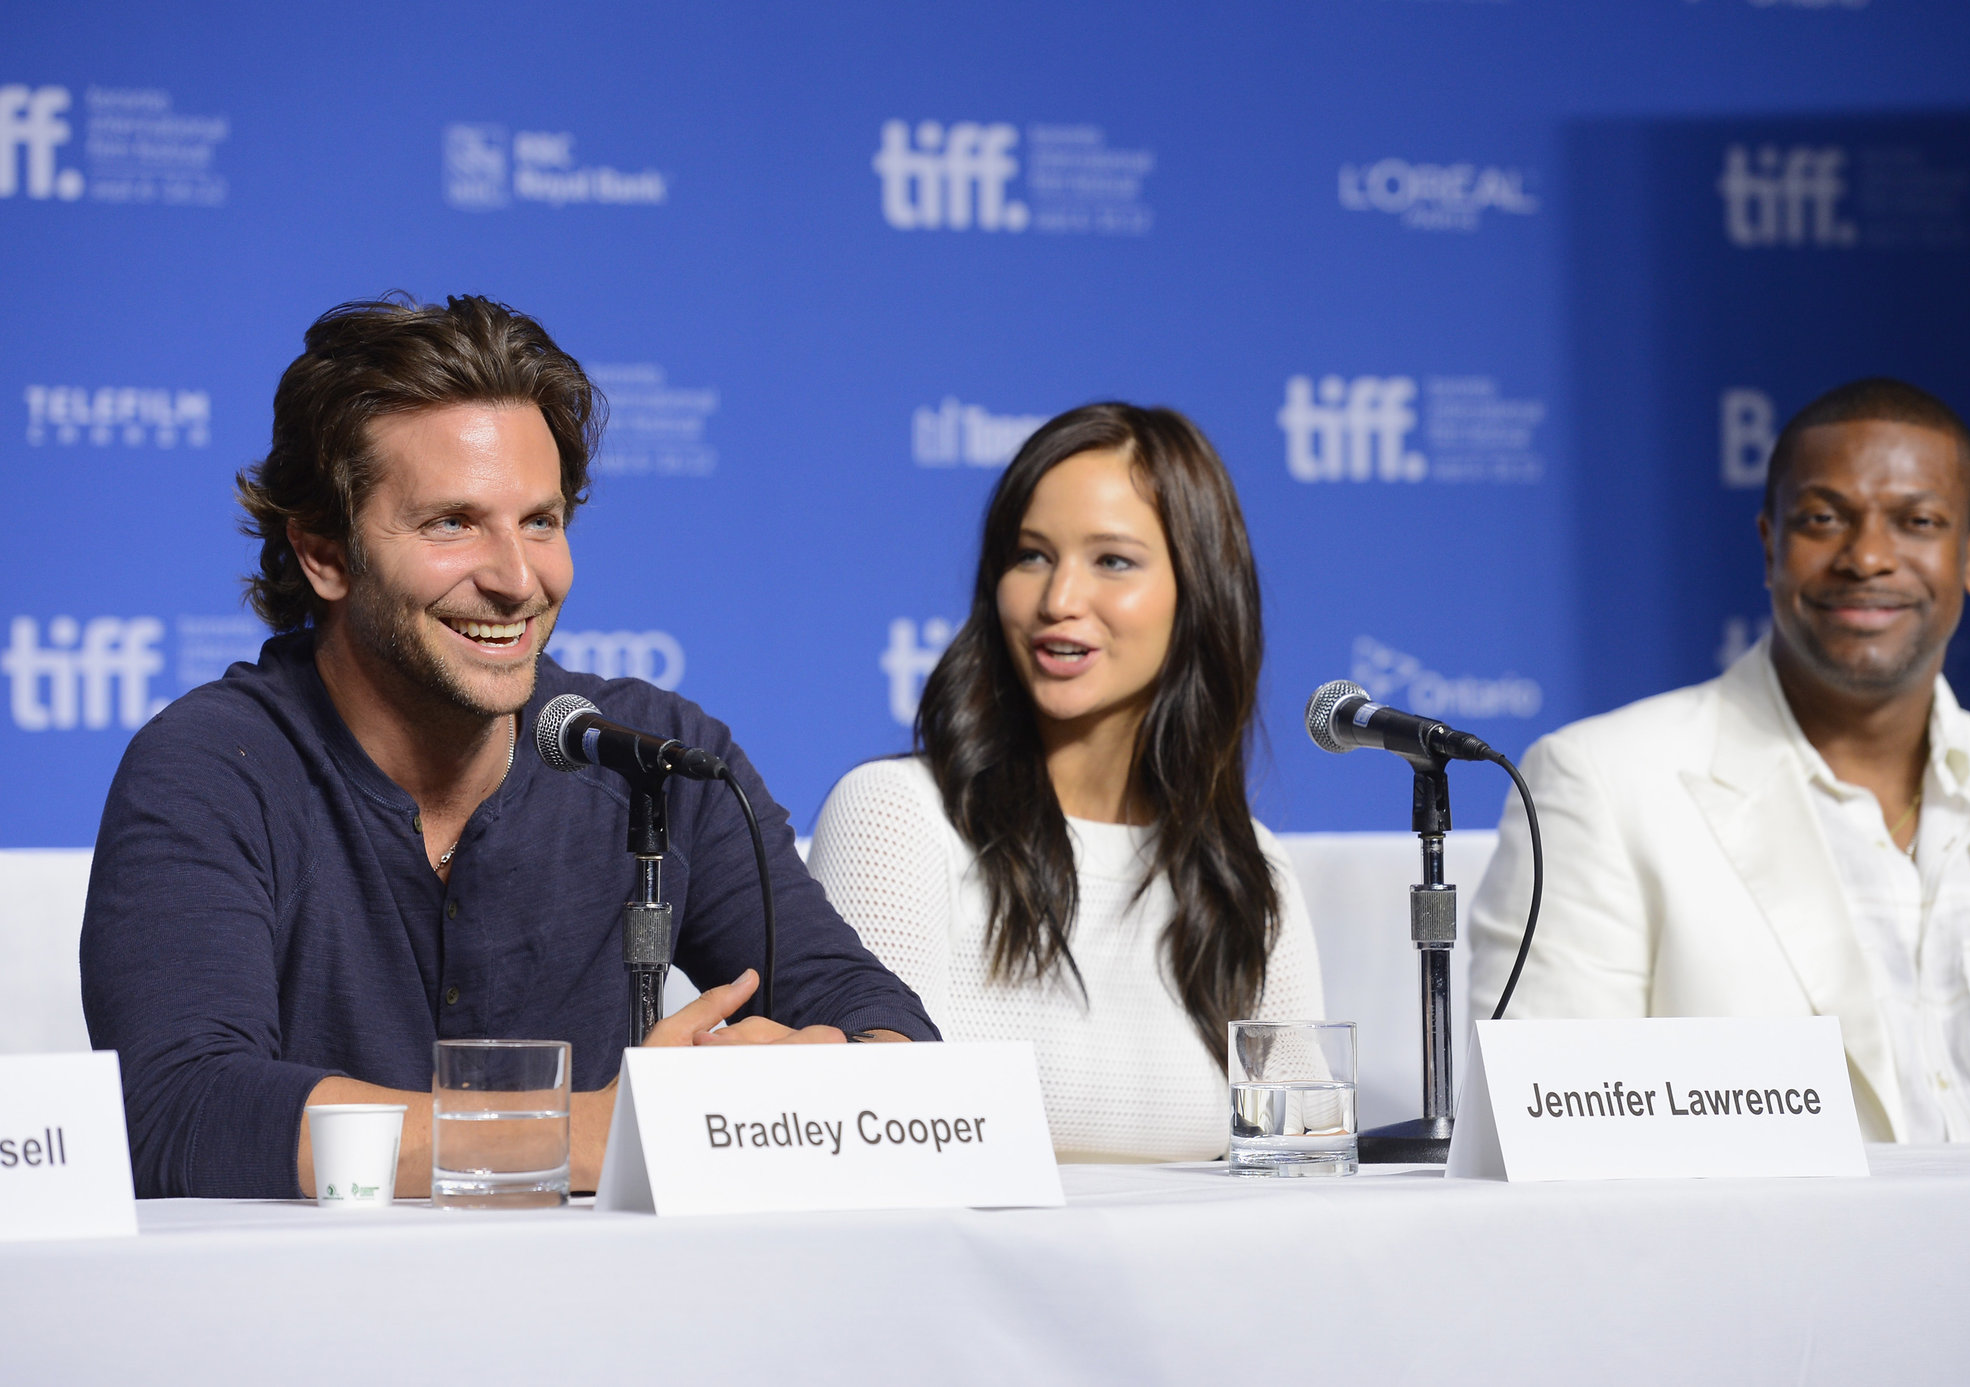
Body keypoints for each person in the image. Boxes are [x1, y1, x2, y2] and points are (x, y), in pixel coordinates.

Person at [81, 295, 935, 1201]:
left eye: (540, 521)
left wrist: (816, 1079)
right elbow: (176, 1105)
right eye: (452, 523)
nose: (517, 579)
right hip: (308, 1322)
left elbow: (884, 1022)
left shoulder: (659, 755)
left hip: (603, 1325)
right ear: (323, 553)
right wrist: (577, 1132)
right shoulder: (210, 767)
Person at [1468, 377, 1970, 1142]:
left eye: (1917, 520)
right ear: (1770, 546)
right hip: (1762, 1259)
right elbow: (1544, 1133)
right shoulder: (1602, 782)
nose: (1867, 556)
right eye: (1823, 519)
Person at [807, 403, 1323, 1162]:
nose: (1058, 600)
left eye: (1112, 560)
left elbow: (1306, 1154)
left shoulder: (1251, 871)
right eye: (1032, 555)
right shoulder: (897, 816)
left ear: (1199, 591)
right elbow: (871, 1137)